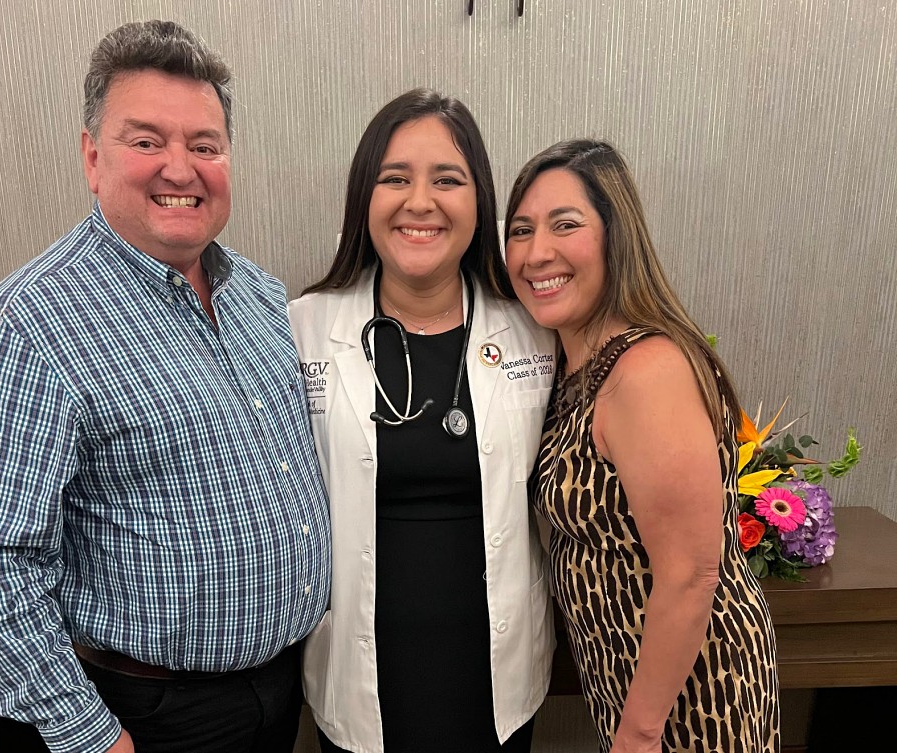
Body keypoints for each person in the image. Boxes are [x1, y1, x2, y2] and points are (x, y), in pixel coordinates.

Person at [0, 20, 331, 753]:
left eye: (204, 146)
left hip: (279, 694)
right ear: (92, 156)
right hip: (136, 717)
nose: (180, 168)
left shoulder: (260, 298)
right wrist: (92, 737)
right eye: (146, 141)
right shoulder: (25, 325)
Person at [288, 88, 556, 753]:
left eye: (447, 180)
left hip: (496, 671)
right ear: (364, 198)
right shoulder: (302, 331)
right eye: (395, 178)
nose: (420, 201)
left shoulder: (537, 333)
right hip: (359, 672)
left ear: (479, 201)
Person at [503, 139, 780, 753]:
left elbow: (691, 572)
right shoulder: (576, 365)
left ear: (615, 237)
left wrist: (639, 732)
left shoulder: (645, 368)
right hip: (633, 683)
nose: (536, 251)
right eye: (520, 229)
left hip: (695, 690)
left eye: (565, 225)